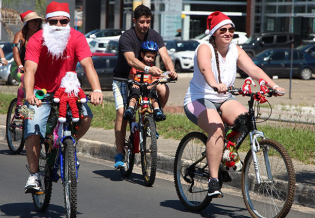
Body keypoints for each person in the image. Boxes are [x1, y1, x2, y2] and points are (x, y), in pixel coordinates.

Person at [183, 11, 285, 197]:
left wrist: (273, 86)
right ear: (214, 32)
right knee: (218, 129)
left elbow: (253, 69)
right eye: (223, 30)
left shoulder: (235, 50)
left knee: (246, 120)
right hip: (198, 99)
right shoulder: (204, 47)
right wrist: (214, 84)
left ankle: (225, 152)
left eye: (231, 29)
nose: (228, 33)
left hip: (224, 98)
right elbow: (205, 66)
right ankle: (213, 181)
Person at [23, 1, 103, 193]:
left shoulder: (77, 37)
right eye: (53, 22)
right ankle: (33, 175)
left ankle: (67, 148)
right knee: (29, 123)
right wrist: (28, 94)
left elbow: (88, 65)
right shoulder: (36, 39)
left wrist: (97, 89)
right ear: (46, 22)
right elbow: (29, 69)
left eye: (63, 21)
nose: (59, 26)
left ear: (69, 22)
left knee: (86, 117)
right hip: (40, 92)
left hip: (69, 90)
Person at [112, 4, 177, 169]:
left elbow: (165, 56)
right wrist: (148, 68)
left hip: (147, 78)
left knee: (163, 89)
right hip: (123, 78)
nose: (145, 25)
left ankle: (152, 120)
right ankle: (119, 153)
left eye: (148, 21)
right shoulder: (126, 37)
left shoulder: (154, 35)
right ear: (134, 21)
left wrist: (172, 71)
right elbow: (130, 60)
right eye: (141, 21)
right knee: (122, 112)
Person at [123, 41, 165, 122]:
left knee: (153, 96)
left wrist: (153, 85)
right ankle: (130, 109)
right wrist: (134, 82)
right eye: (148, 56)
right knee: (134, 94)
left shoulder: (154, 68)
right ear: (142, 55)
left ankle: (157, 110)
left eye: (152, 57)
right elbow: (131, 76)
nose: (150, 59)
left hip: (148, 87)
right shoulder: (137, 66)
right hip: (138, 85)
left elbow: (155, 79)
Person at [11, 10, 42, 117]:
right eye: (32, 21)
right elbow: (15, 52)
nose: (36, 24)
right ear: (27, 23)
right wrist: (20, 66)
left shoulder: (42, 35)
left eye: (37, 21)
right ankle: (19, 107)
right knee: (24, 80)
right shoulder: (20, 35)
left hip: (34, 67)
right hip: (18, 66)